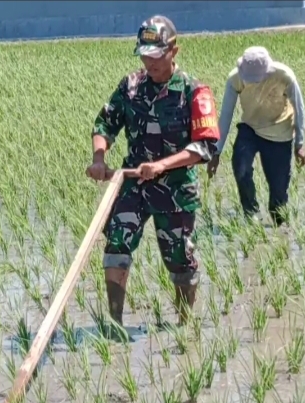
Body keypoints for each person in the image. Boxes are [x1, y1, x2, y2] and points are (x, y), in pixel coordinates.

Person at [85, 15, 220, 332]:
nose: (150, 63)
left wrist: (161, 166)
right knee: (116, 243)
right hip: (133, 183)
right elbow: (105, 124)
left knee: (179, 257)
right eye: (145, 56)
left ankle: (184, 325)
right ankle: (115, 324)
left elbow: (205, 146)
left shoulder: (194, 91)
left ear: (174, 51)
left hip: (175, 188)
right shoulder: (131, 86)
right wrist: (99, 158)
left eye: (157, 56)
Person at [207, 46, 305, 227]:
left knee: (278, 197)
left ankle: (280, 227)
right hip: (250, 128)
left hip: (279, 132)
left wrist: (300, 144)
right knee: (241, 167)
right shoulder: (235, 78)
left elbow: (299, 109)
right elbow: (226, 115)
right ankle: (251, 214)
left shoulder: (284, 76)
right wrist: (216, 151)